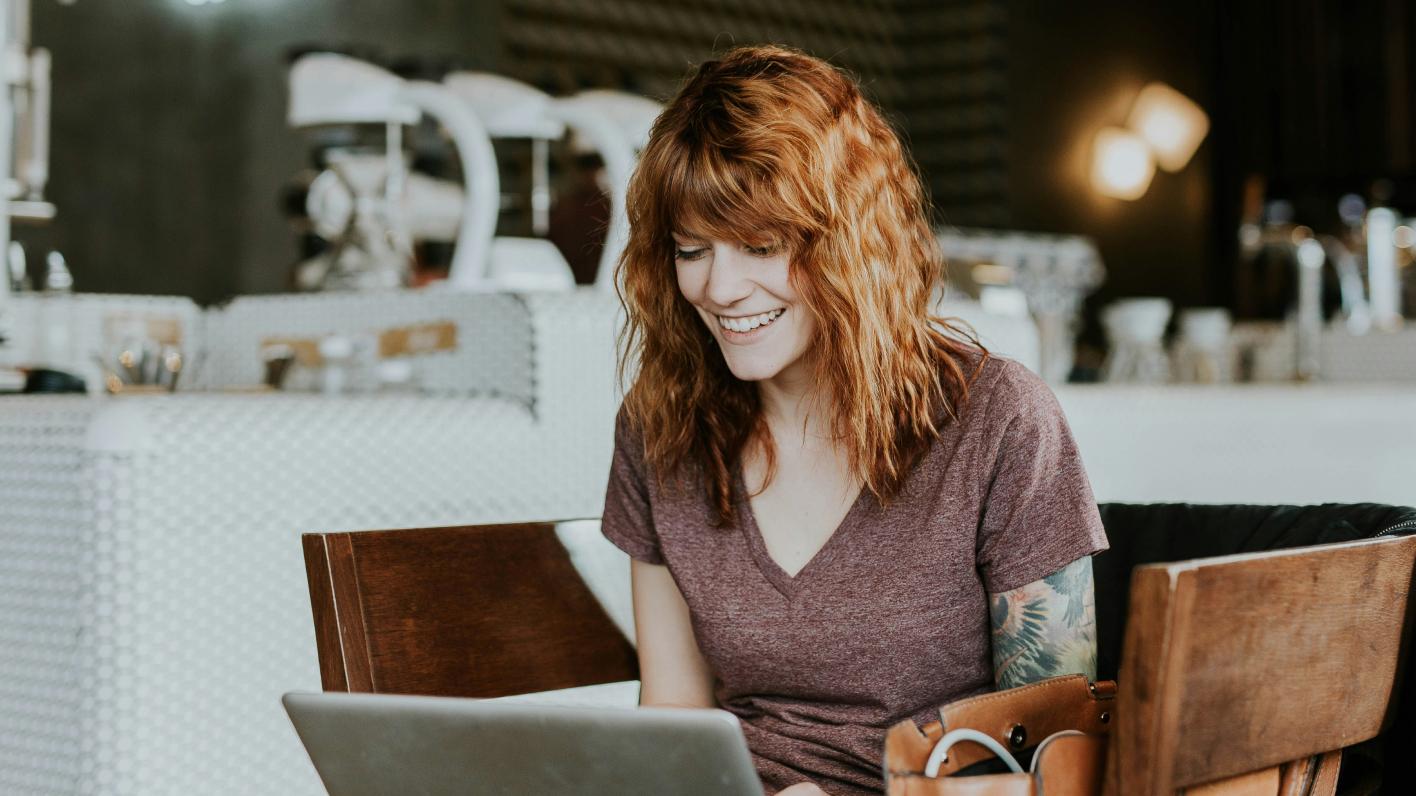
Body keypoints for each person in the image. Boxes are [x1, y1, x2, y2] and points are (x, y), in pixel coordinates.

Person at [600, 45, 1108, 796]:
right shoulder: (660, 429)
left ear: (849, 243)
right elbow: (673, 722)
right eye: (691, 249)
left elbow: (1064, 765)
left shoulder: (998, 422)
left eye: (762, 246)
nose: (720, 287)